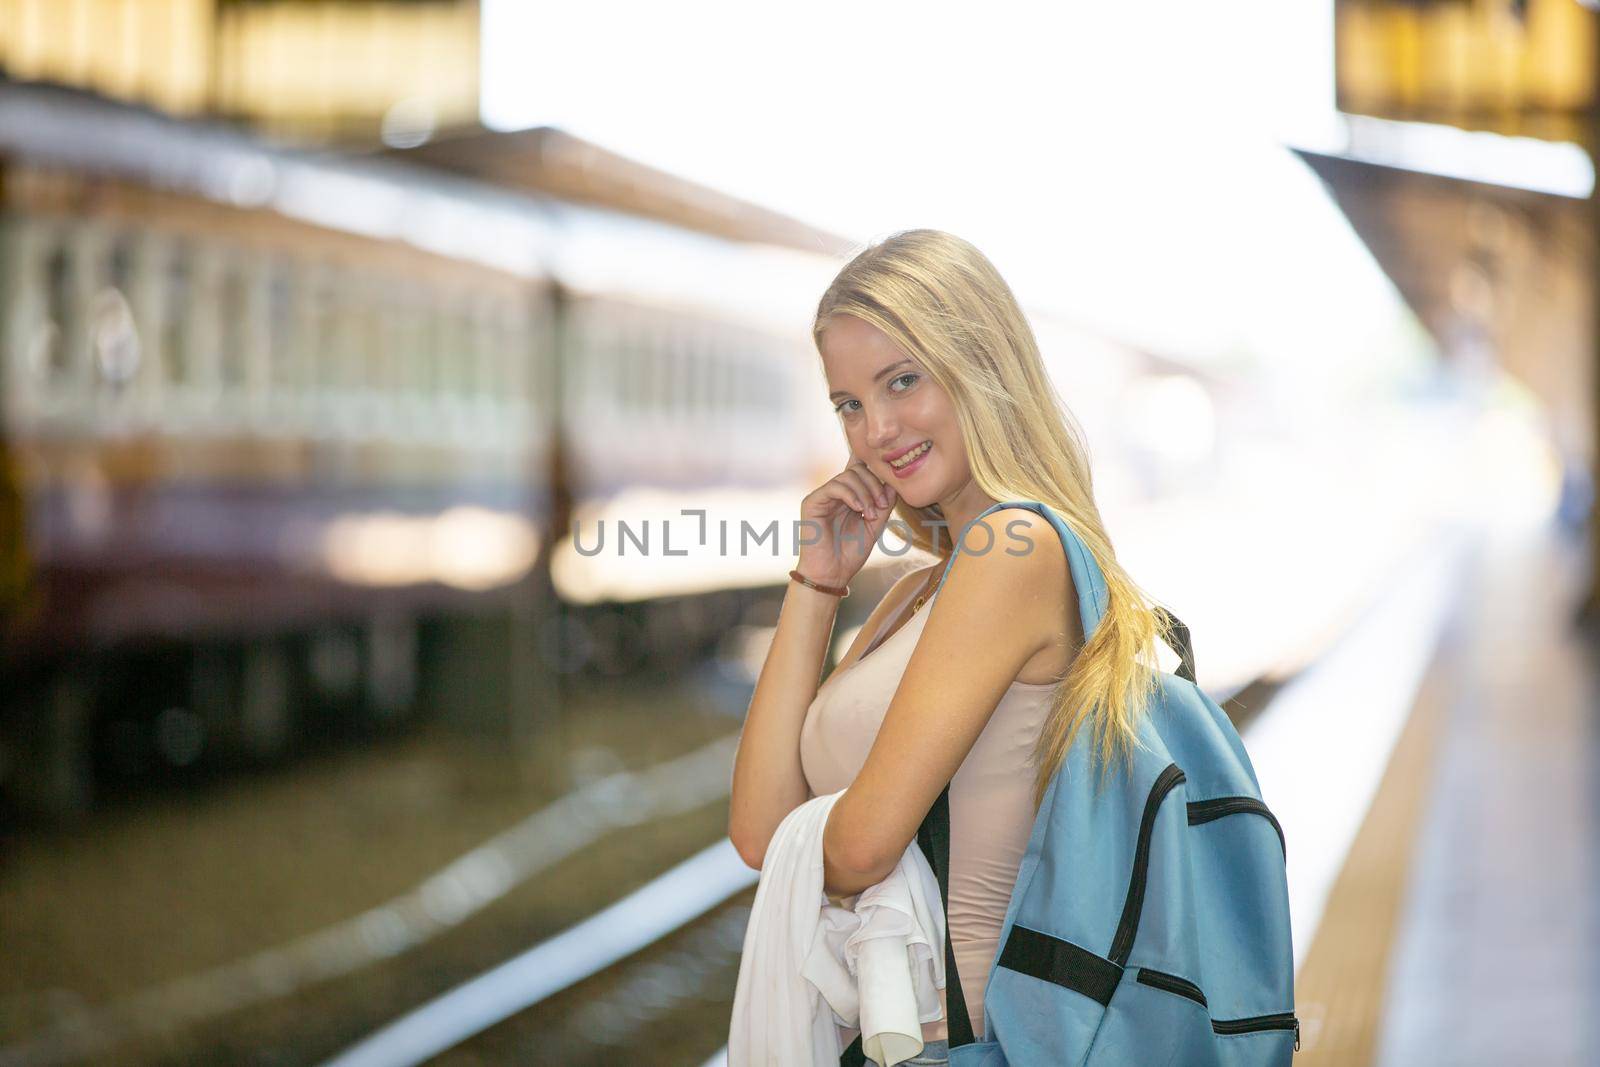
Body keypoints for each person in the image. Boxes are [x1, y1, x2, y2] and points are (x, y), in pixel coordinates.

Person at [728, 229, 1174, 1064]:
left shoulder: (1017, 550)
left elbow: (860, 847)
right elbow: (759, 832)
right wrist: (817, 582)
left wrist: (829, 832)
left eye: (903, 381)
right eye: (850, 404)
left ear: (982, 368)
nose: (877, 430)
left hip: (970, 1045)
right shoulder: (913, 594)